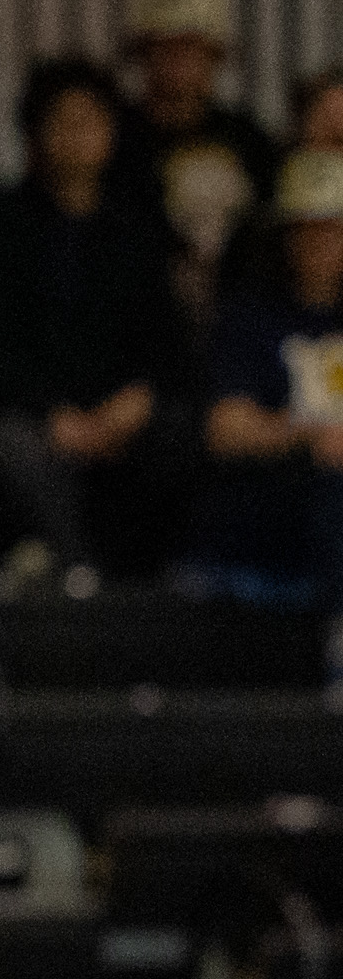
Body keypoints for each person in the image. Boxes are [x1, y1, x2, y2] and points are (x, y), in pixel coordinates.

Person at [0, 54, 196, 585]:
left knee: (176, 431)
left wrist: (136, 400)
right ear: (35, 134)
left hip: (118, 411)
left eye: (89, 122)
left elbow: (169, 343)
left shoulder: (138, 231)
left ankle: (153, 580)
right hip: (36, 415)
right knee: (7, 444)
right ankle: (78, 568)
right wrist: (52, 414)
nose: (75, 137)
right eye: (61, 122)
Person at [195, 145, 343, 629]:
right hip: (284, 497)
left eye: (332, 229)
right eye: (307, 229)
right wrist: (308, 436)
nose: (320, 243)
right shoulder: (251, 319)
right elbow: (226, 430)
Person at [112, 0, 285, 301]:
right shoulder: (115, 138)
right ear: (142, 56)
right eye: (164, 48)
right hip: (138, 304)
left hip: (239, 306)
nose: (177, 62)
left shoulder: (248, 139)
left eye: (190, 48)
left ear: (214, 57)